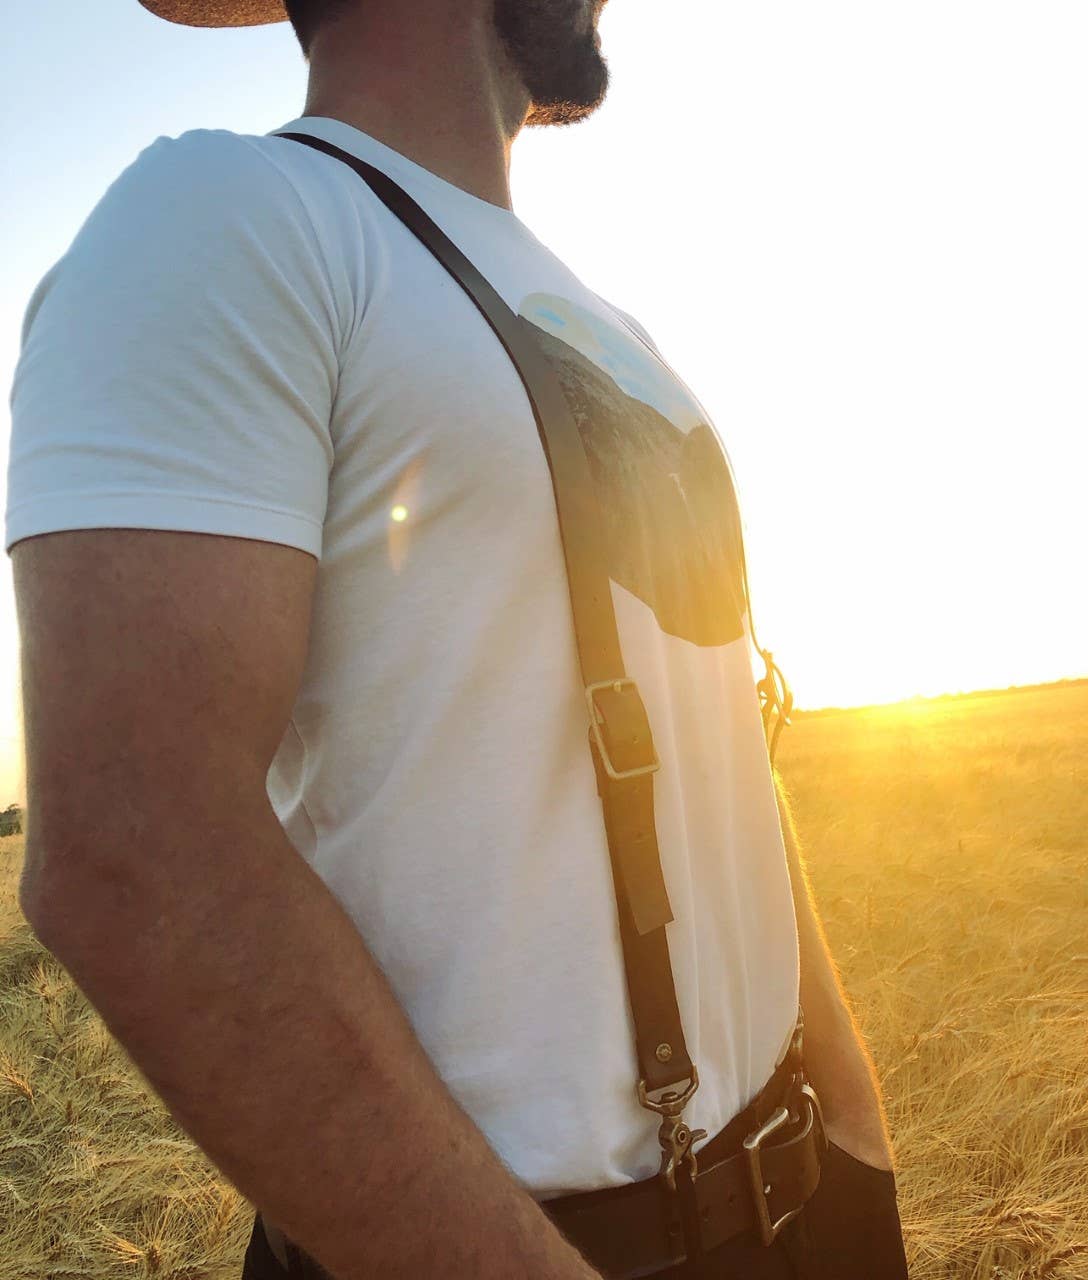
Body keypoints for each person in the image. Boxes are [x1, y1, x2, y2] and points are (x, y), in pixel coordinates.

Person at [6, 0, 910, 1276]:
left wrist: (852, 1133)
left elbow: (720, 747)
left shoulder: (609, 323)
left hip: (800, 1201)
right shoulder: (226, 214)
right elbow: (133, 845)